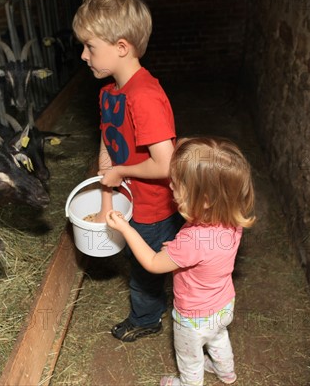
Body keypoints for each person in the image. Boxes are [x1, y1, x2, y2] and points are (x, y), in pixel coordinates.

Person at [72, 0, 186, 342]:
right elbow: (110, 134)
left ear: (121, 47)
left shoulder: (145, 97)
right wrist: (107, 176)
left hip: (153, 205)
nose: (83, 55)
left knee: (144, 269)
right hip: (131, 197)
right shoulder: (111, 92)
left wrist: (121, 173)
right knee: (147, 259)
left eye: (90, 47)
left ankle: (147, 318)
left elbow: (166, 164)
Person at [106, 136, 256, 386]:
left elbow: (153, 263)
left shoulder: (192, 241)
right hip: (223, 304)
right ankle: (226, 372)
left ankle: (188, 383)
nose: (170, 188)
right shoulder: (232, 220)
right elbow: (206, 255)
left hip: (194, 317)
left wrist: (125, 228)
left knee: (189, 358)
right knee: (218, 337)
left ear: (205, 199)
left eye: (176, 185)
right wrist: (177, 249)